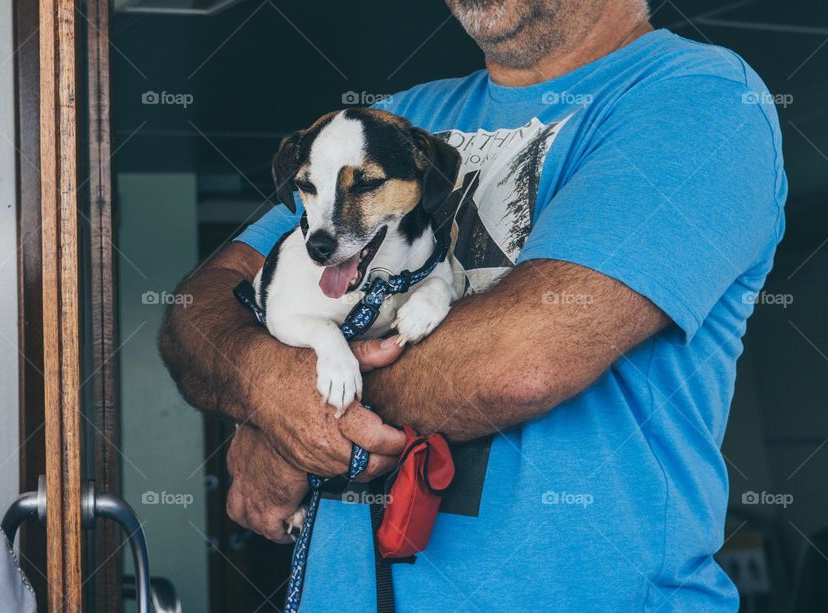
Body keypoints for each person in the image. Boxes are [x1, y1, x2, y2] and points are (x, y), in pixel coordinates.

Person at [159, 0, 787, 609]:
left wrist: (301, 420)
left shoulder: (699, 97)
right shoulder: (393, 121)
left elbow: (523, 360)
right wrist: (266, 387)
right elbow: (206, 301)